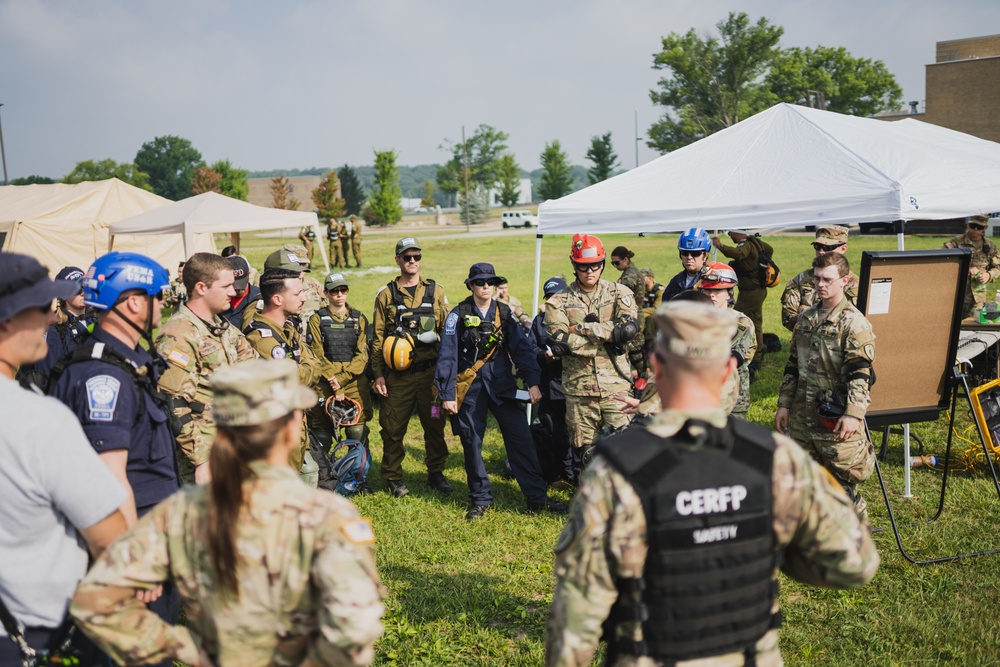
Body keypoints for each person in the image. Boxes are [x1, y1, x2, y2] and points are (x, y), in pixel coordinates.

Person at [545, 301, 879, 667]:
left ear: (657, 368)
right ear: (727, 372)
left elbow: (577, 614)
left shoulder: (618, 469)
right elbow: (854, 563)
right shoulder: (776, 457)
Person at [70, 359, 387, 667]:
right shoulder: (329, 517)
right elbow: (355, 631)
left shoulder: (183, 512)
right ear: (292, 429)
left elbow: (94, 600)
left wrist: (186, 649)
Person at [49, 251, 181, 667]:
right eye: (159, 295)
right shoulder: (103, 375)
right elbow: (110, 478)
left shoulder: (130, 360)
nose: (164, 304)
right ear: (134, 301)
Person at [0, 252, 127, 665]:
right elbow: (108, 533)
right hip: (32, 633)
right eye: (41, 308)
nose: (51, 318)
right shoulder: (38, 419)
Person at [436, 263, 568, 521]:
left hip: (503, 388)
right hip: (471, 390)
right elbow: (447, 355)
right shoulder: (458, 314)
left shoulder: (505, 313)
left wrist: (532, 382)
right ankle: (480, 499)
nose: (485, 286)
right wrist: (447, 394)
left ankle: (537, 498)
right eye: (480, 282)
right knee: (472, 444)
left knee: (523, 442)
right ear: (471, 285)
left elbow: (523, 351)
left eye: (490, 282)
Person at [776, 252, 877, 521]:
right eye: (817, 278)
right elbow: (793, 365)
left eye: (828, 280)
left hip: (832, 417)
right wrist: (783, 405)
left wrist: (853, 414)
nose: (821, 285)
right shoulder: (806, 318)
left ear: (844, 280)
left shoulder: (853, 323)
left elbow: (861, 374)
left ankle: (857, 537)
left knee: (842, 486)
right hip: (801, 415)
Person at [155, 252, 259, 484]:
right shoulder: (179, 334)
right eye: (226, 286)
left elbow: (254, 367)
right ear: (201, 288)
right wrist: (201, 461)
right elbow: (173, 403)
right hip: (205, 454)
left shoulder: (222, 326)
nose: (233, 292)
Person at [544, 234, 639, 476]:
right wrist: (608, 335)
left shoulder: (620, 293)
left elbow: (628, 329)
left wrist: (583, 329)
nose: (589, 271)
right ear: (574, 265)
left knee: (626, 451)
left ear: (603, 263)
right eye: (583, 266)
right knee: (587, 455)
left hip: (616, 387)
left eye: (595, 265)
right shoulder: (558, 302)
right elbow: (558, 342)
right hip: (579, 389)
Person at [371, 237, 453, 497]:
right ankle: (393, 477)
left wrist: (446, 376)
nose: (412, 261)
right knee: (393, 428)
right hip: (398, 377)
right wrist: (378, 376)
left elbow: (447, 333)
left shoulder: (435, 291)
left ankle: (436, 473)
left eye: (416, 256)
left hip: (430, 375)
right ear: (397, 260)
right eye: (406, 257)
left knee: (435, 426)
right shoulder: (386, 295)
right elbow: (377, 339)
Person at [244, 268, 339, 473]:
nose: (304, 298)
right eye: (297, 293)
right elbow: (298, 378)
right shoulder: (261, 338)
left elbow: (314, 364)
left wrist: (305, 367)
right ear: (277, 299)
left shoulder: (288, 329)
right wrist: (305, 367)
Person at [306, 272, 373, 453]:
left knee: (357, 431)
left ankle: (359, 476)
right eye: (334, 291)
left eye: (343, 290)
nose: (339, 294)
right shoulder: (316, 320)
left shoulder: (359, 319)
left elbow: (363, 355)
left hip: (354, 381)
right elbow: (316, 354)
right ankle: (323, 477)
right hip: (325, 382)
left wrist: (342, 380)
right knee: (322, 434)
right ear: (325, 293)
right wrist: (334, 381)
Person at [16, 265, 96, 390]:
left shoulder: (97, 319)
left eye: (85, 285)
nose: (82, 292)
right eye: (76, 288)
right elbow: (48, 377)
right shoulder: (55, 329)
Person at [528, 276, 574, 486]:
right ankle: (559, 472)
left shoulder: (575, 317)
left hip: (575, 384)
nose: (553, 301)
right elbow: (530, 351)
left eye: (558, 297)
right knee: (553, 430)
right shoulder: (539, 321)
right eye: (549, 298)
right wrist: (543, 356)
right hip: (549, 386)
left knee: (576, 431)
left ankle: (574, 473)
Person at [698, 262, 757, 419]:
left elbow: (733, 358)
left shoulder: (741, 323)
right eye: (708, 290)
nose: (711, 295)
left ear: (729, 293)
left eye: (717, 290)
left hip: (731, 399)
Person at [713, 228, 773, 375]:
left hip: (750, 292)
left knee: (736, 321)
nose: (731, 237)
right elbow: (769, 249)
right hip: (759, 289)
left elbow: (739, 253)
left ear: (735, 232)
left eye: (731, 234)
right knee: (756, 323)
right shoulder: (757, 242)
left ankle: (750, 357)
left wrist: (721, 246)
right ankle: (758, 354)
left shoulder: (745, 244)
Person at [781, 225, 860, 331]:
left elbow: (855, 322)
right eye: (818, 246)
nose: (821, 251)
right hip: (805, 343)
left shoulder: (855, 283)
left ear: (843, 248)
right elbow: (788, 319)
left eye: (828, 247)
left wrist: (805, 311)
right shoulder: (800, 280)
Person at [943, 214, 1000, 319]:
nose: (975, 230)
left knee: (975, 329)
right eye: (973, 226)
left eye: (980, 227)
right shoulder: (956, 243)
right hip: (957, 296)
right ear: (968, 225)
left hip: (978, 299)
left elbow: (997, 267)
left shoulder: (990, 246)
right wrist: (965, 267)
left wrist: (989, 275)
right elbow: (944, 264)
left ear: (985, 228)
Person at [610, 246, 646, 374]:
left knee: (632, 351)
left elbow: (623, 293)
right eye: (612, 263)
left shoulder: (629, 275)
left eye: (617, 262)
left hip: (632, 316)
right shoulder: (632, 271)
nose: (615, 266)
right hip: (636, 315)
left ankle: (642, 379)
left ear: (626, 259)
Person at [282, 243, 329, 329]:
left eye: (304, 264)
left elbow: (325, 312)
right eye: (297, 264)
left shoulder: (314, 284)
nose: (301, 268)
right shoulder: (276, 287)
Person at [661, 228, 711, 303]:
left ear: (705, 256)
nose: (689, 257)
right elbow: (665, 306)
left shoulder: (711, 279)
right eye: (685, 253)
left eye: (695, 253)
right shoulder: (676, 281)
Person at [220, 254, 261, 329]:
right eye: (233, 284)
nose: (238, 290)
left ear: (249, 275)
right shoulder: (217, 299)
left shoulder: (259, 297)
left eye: (241, 283)